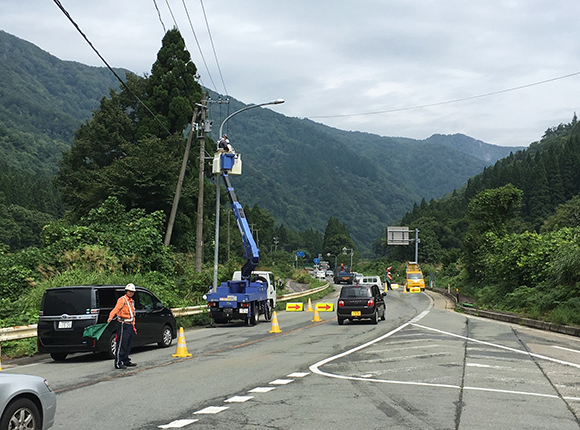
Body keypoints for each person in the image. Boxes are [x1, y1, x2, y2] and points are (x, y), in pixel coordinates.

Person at [108, 283, 138, 369]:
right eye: (129, 291)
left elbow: (133, 314)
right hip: (122, 324)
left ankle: (126, 360)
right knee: (121, 343)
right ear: (126, 291)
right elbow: (116, 309)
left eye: (132, 292)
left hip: (130, 324)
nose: (131, 293)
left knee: (128, 343)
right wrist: (110, 317)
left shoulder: (132, 302)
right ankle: (118, 362)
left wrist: (134, 326)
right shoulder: (122, 300)